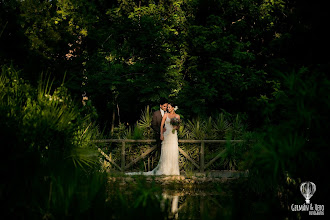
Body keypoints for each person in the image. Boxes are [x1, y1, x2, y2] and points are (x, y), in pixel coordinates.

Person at [126, 102, 181, 176]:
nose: (168, 108)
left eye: (169, 107)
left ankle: (173, 170)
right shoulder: (166, 115)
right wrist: (161, 134)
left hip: (173, 135)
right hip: (166, 134)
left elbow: (178, 127)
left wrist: (176, 126)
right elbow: (161, 126)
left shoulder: (177, 116)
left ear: (173, 108)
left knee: (173, 150)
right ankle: (165, 169)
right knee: (166, 151)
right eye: (167, 107)